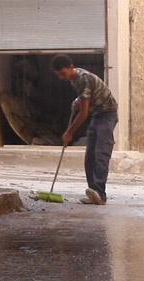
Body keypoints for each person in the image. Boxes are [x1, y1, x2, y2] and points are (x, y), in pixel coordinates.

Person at [50, 54, 118, 205]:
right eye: (58, 75)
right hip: (97, 115)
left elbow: (84, 113)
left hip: (107, 115)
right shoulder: (74, 79)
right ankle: (93, 192)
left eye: (63, 73)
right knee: (90, 157)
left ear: (71, 67)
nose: (62, 77)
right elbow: (85, 97)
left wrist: (69, 132)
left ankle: (100, 194)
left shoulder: (83, 78)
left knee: (101, 154)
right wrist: (77, 101)